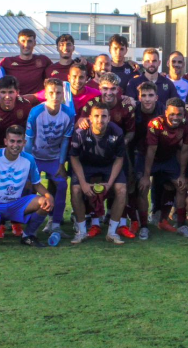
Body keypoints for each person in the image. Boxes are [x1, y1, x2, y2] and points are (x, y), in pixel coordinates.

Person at [78, 74, 137, 238]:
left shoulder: (127, 107)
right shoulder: (91, 104)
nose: (109, 92)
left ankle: (121, 224)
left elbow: (131, 132)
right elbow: (81, 123)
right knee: (95, 184)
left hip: (118, 153)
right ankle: (95, 223)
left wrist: (121, 142)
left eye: (112, 89)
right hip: (95, 153)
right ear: (99, 88)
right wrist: (81, 121)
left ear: (118, 90)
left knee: (123, 187)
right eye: (105, 88)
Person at [0, 126, 55, 247]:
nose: (15, 145)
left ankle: (28, 235)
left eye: (19, 141)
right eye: (12, 141)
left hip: (16, 203)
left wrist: (49, 196)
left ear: (24, 142)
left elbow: (37, 184)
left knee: (45, 203)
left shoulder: (29, 159)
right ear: (5, 142)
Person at [24, 77, 76, 246]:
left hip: (54, 158)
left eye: (58, 93)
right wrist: (29, 165)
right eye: (51, 93)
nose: (55, 96)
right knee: (29, 186)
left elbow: (65, 142)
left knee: (62, 185)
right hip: (35, 158)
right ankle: (26, 223)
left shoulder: (68, 113)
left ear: (63, 94)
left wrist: (61, 164)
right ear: (45, 94)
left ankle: (55, 224)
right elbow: (29, 142)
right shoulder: (36, 112)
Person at [69, 103, 129, 244]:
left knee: (121, 190)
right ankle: (81, 231)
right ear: (90, 117)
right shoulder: (80, 132)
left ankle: (112, 232)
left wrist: (109, 183)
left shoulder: (117, 132)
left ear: (109, 118)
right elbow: (74, 157)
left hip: (109, 164)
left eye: (103, 116)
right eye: (96, 116)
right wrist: (83, 183)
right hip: (86, 164)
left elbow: (120, 158)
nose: (99, 120)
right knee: (76, 190)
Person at [140, 97, 188, 234]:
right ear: (165, 112)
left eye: (179, 114)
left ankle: (181, 223)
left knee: (181, 185)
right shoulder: (155, 124)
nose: (175, 117)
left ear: (184, 114)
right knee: (143, 186)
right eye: (172, 114)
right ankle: (144, 226)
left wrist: (182, 175)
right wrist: (146, 176)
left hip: (169, 159)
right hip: (149, 158)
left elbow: (185, 150)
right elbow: (151, 151)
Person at [128, 81, 164, 239]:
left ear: (156, 97)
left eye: (151, 95)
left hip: (162, 153)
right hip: (138, 153)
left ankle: (162, 217)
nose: (147, 99)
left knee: (172, 183)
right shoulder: (132, 109)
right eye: (144, 95)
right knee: (138, 187)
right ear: (138, 97)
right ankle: (140, 224)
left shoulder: (163, 110)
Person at [0, 76, 35, 152]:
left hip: (18, 147)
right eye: (3, 92)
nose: (7, 96)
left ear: (17, 92)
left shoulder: (25, 105)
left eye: (11, 92)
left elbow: (30, 131)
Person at [0, 28, 53, 99]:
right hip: (15, 105)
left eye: (29, 41)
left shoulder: (43, 60)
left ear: (34, 43)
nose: (26, 45)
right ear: (18, 42)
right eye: (23, 41)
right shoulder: (7, 62)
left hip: (37, 105)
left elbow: (55, 78)